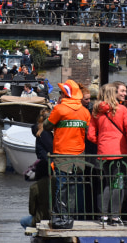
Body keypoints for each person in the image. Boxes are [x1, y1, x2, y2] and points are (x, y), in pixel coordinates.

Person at [43, 79, 91, 228]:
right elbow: (87, 131)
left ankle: (62, 216)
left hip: (62, 154)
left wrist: (56, 108)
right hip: (79, 154)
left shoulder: (60, 109)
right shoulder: (84, 111)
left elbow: (46, 126)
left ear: (64, 94)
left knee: (61, 185)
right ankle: (78, 215)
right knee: (76, 186)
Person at [87, 84, 127, 226]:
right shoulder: (122, 109)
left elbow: (90, 135)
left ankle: (103, 216)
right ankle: (115, 216)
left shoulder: (96, 111)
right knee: (118, 184)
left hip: (104, 152)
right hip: (120, 152)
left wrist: (102, 141)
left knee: (107, 184)